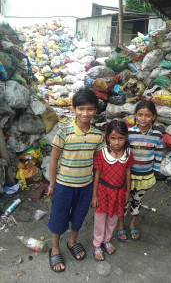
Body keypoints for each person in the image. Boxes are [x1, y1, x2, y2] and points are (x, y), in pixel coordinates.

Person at [47, 88, 104, 272]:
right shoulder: (64, 131)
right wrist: (52, 184)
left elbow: (97, 167)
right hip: (64, 185)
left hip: (85, 186)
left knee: (79, 216)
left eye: (90, 109)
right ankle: (55, 247)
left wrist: (94, 192)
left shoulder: (98, 135)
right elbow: (54, 160)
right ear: (73, 109)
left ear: (95, 110)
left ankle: (72, 241)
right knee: (58, 216)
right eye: (81, 109)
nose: (85, 113)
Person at [117, 100, 163, 242]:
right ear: (135, 115)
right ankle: (120, 225)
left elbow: (158, 155)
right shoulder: (129, 133)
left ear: (153, 117)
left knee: (137, 201)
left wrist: (154, 172)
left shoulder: (157, 135)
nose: (143, 119)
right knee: (124, 201)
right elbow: (122, 153)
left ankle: (132, 224)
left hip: (145, 176)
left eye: (147, 115)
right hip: (128, 176)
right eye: (140, 115)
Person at [91, 120, 134, 261]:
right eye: (113, 138)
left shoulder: (127, 153)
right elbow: (96, 174)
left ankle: (106, 240)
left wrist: (127, 191)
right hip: (103, 192)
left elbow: (128, 172)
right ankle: (97, 244)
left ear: (126, 138)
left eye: (120, 138)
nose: (117, 142)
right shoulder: (101, 154)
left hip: (119, 192)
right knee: (100, 220)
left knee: (113, 218)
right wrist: (94, 195)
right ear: (107, 138)